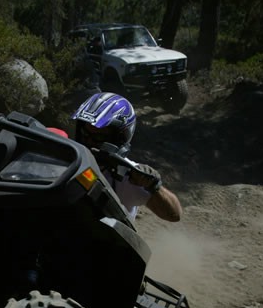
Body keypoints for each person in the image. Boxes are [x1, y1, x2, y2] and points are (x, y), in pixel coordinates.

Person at [70, 91, 182, 222]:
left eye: (99, 137)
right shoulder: (68, 155)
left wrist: (154, 186)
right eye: (85, 133)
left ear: (119, 138)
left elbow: (174, 215)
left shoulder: (128, 176)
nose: (89, 141)